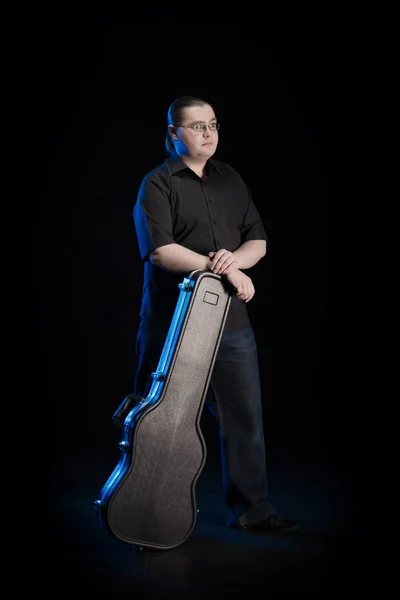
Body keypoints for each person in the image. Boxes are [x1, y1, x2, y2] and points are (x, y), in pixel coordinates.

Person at [132, 95, 299, 533]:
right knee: (154, 419)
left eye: (213, 125)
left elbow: (257, 241)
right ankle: (140, 507)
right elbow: (162, 252)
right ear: (173, 133)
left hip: (230, 323)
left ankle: (251, 511)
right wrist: (222, 268)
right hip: (172, 324)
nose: (208, 134)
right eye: (197, 126)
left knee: (244, 417)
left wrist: (232, 265)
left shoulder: (232, 179)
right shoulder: (157, 184)